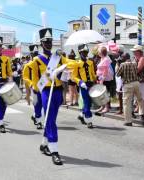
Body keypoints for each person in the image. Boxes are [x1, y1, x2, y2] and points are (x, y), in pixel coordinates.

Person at [30, 28, 70, 165]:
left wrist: (62, 69)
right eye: (46, 42)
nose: (48, 44)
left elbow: (71, 64)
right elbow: (34, 79)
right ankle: (54, 150)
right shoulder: (36, 60)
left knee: (50, 119)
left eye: (50, 41)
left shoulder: (57, 57)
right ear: (41, 44)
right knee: (50, 120)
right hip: (46, 91)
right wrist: (34, 93)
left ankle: (44, 143)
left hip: (58, 91)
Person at [71, 44, 97, 128]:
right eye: (83, 52)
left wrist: (96, 78)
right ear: (79, 53)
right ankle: (89, 120)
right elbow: (73, 76)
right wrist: (80, 82)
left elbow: (92, 73)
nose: (84, 54)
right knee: (86, 101)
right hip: (83, 85)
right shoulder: (77, 63)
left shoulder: (90, 62)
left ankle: (81, 115)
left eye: (86, 52)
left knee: (89, 103)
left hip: (91, 84)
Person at [116, 51, 144, 126]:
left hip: (128, 84)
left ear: (124, 58)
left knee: (127, 103)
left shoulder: (122, 64)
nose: (121, 58)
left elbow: (118, 74)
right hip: (136, 83)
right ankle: (142, 114)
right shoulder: (135, 63)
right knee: (140, 99)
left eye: (122, 57)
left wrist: (118, 64)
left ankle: (128, 121)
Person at [22, 44, 43, 129]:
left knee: (41, 104)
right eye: (34, 54)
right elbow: (25, 77)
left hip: (42, 86)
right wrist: (31, 84)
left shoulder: (42, 63)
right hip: (34, 87)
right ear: (31, 55)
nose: (36, 56)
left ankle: (35, 115)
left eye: (37, 54)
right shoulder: (27, 65)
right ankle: (38, 121)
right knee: (36, 104)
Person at [131, 45, 144, 121]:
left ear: (139, 51)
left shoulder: (142, 58)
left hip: (141, 80)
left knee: (142, 96)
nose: (133, 52)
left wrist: (130, 69)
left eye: (135, 51)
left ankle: (142, 112)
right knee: (137, 96)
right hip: (136, 79)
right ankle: (139, 110)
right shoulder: (135, 58)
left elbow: (138, 69)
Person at [96, 46, 114, 114]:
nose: (97, 52)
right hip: (100, 78)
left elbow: (105, 70)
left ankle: (107, 107)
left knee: (105, 93)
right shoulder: (102, 59)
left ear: (101, 52)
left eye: (98, 51)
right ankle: (102, 106)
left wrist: (102, 79)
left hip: (105, 79)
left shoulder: (106, 59)